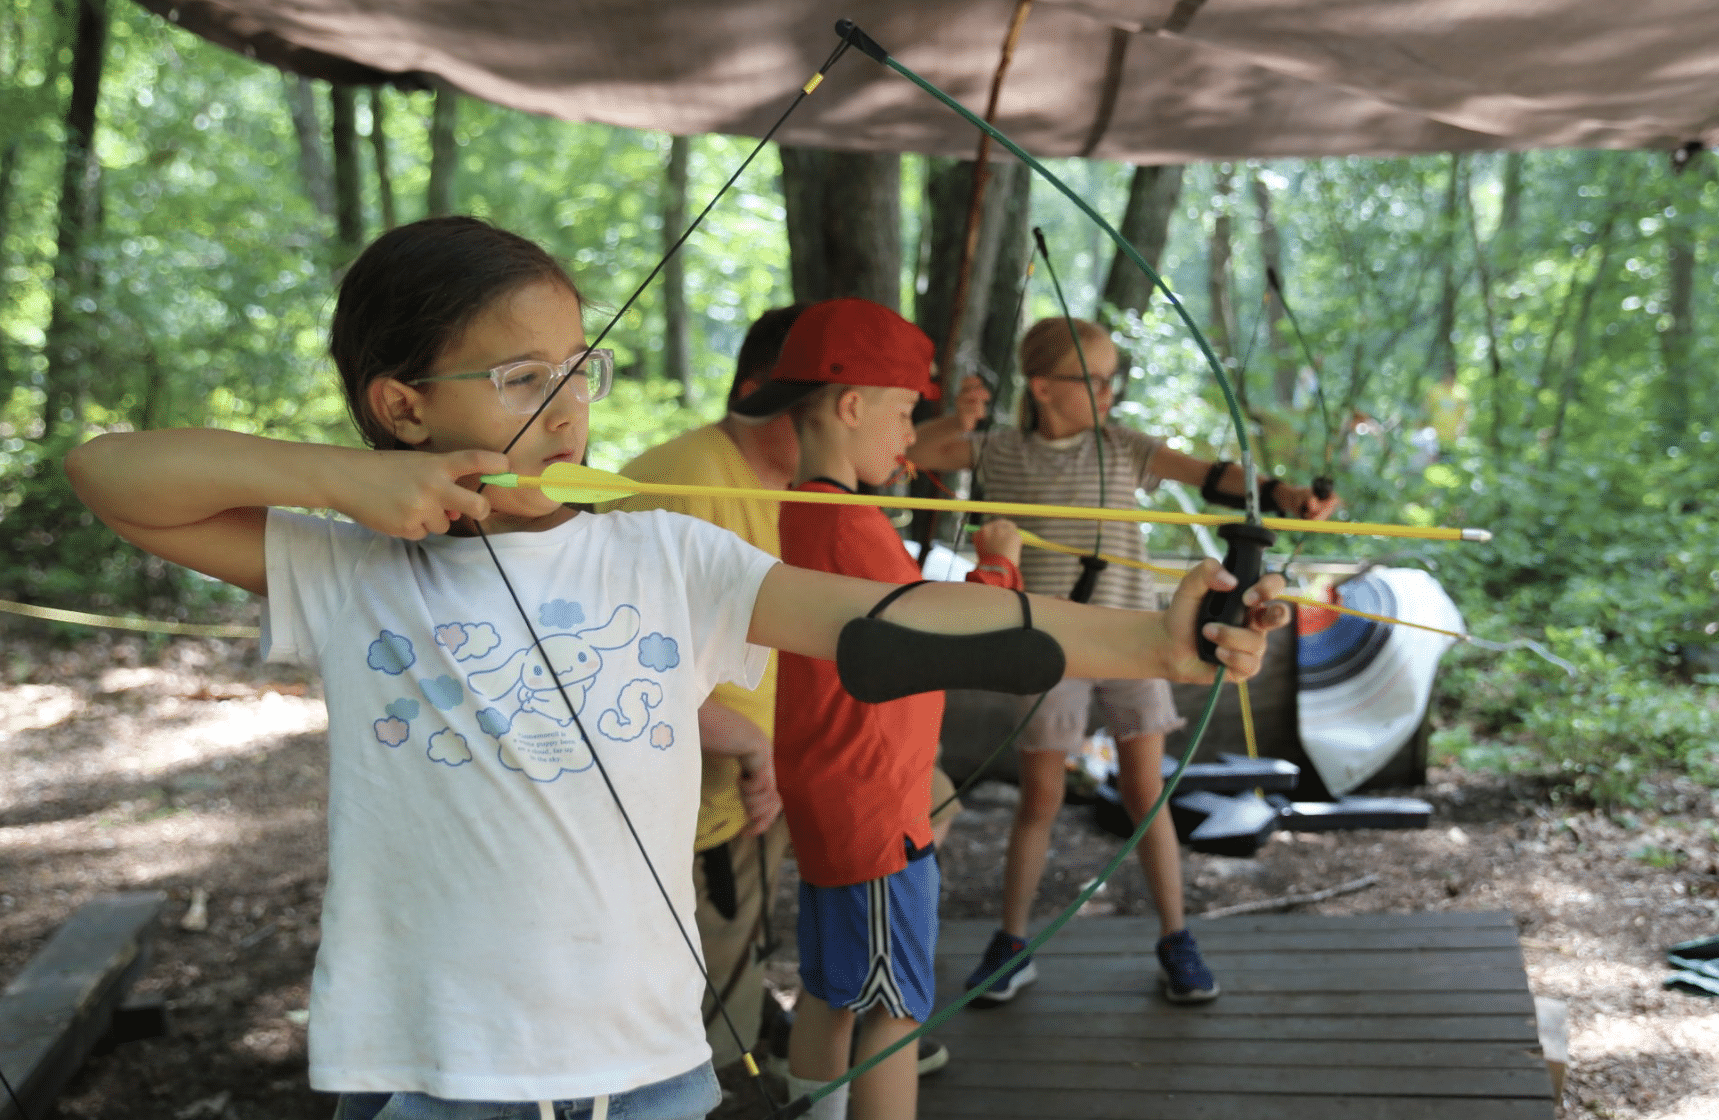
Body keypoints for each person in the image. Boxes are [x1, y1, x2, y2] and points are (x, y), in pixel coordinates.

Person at [64, 220, 1286, 1120]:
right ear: (399, 406)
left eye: (574, 368)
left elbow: (889, 619)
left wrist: (1153, 644)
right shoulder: (348, 566)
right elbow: (112, 475)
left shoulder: (663, 551)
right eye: (518, 378)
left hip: (648, 1063)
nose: (565, 407)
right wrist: (346, 483)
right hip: (429, 1065)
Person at [911, 315, 1339, 1010]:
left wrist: (1286, 495)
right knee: (1041, 799)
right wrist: (953, 417)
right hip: (1049, 646)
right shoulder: (1002, 453)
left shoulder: (1122, 447)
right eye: (1095, 378)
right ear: (1044, 388)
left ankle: (1176, 938)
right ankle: (1011, 943)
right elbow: (914, 450)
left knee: (1148, 795)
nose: (1110, 390)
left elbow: (1211, 476)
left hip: (1139, 639)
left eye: (1115, 377)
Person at [727, 298, 1031, 1120]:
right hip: (876, 809)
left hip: (838, 794)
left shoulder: (814, 509)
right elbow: (948, 638)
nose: (910, 436)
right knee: (896, 1013)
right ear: (851, 406)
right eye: (902, 412)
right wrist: (999, 570)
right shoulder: (849, 526)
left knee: (831, 993)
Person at [604, 304, 805, 1074]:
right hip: (681, 807)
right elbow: (611, 659)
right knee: (678, 1017)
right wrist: (749, 742)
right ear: (759, 391)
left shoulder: (803, 486)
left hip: (758, 783)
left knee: (932, 792)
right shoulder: (682, 484)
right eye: (818, 407)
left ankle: (761, 1025)